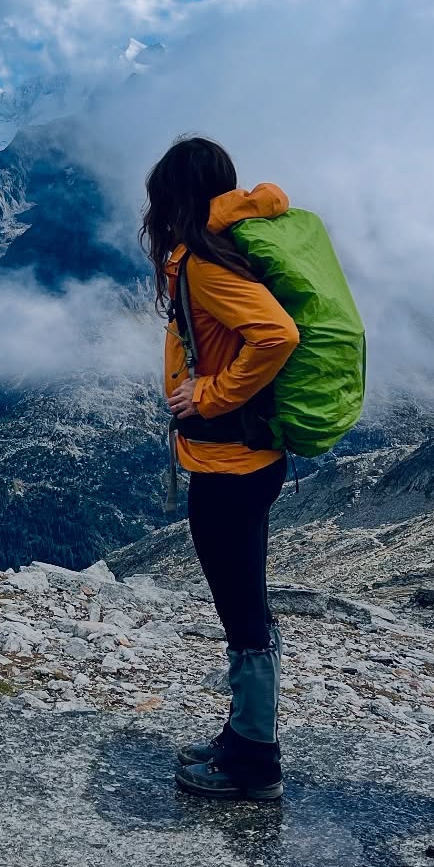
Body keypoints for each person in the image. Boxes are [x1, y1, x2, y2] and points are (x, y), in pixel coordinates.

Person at [140, 136, 300, 802]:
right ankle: (243, 738)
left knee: (241, 612)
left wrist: (208, 396)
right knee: (247, 606)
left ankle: (253, 763)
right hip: (247, 458)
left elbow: (277, 334)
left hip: (230, 466)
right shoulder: (223, 249)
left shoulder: (205, 263)